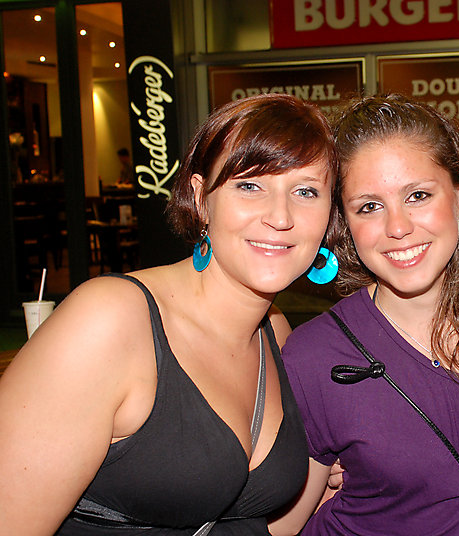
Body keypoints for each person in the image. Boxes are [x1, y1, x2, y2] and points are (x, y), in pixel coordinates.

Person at [0, 93, 337, 535]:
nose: (280, 216)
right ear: (200, 198)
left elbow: (263, 525)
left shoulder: (275, 331)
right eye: (249, 185)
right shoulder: (110, 319)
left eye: (306, 191)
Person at [276, 94, 459, 535]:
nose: (397, 227)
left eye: (418, 195)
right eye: (369, 206)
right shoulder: (315, 357)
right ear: (344, 219)